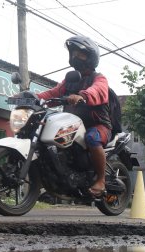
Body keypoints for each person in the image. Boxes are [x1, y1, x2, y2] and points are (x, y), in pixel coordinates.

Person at [36, 35, 111, 198]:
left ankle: (101, 179)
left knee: (92, 138)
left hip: (98, 125)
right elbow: (51, 93)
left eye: (80, 54)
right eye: (74, 53)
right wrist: (33, 97)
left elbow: (97, 90)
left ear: (91, 57)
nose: (76, 57)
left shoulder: (99, 78)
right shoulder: (69, 80)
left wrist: (82, 95)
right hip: (74, 126)